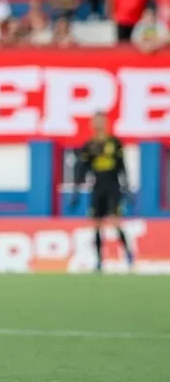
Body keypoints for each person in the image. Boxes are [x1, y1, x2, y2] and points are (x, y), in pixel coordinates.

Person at [70, 112, 134, 271]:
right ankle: (99, 261)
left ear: (106, 123)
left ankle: (128, 256)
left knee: (115, 221)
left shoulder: (114, 143)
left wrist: (126, 188)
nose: (98, 125)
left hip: (113, 187)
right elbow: (82, 170)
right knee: (97, 224)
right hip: (97, 187)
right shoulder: (89, 146)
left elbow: (122, 166)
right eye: (95, 122)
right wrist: (76, 192)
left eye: (101, 121)